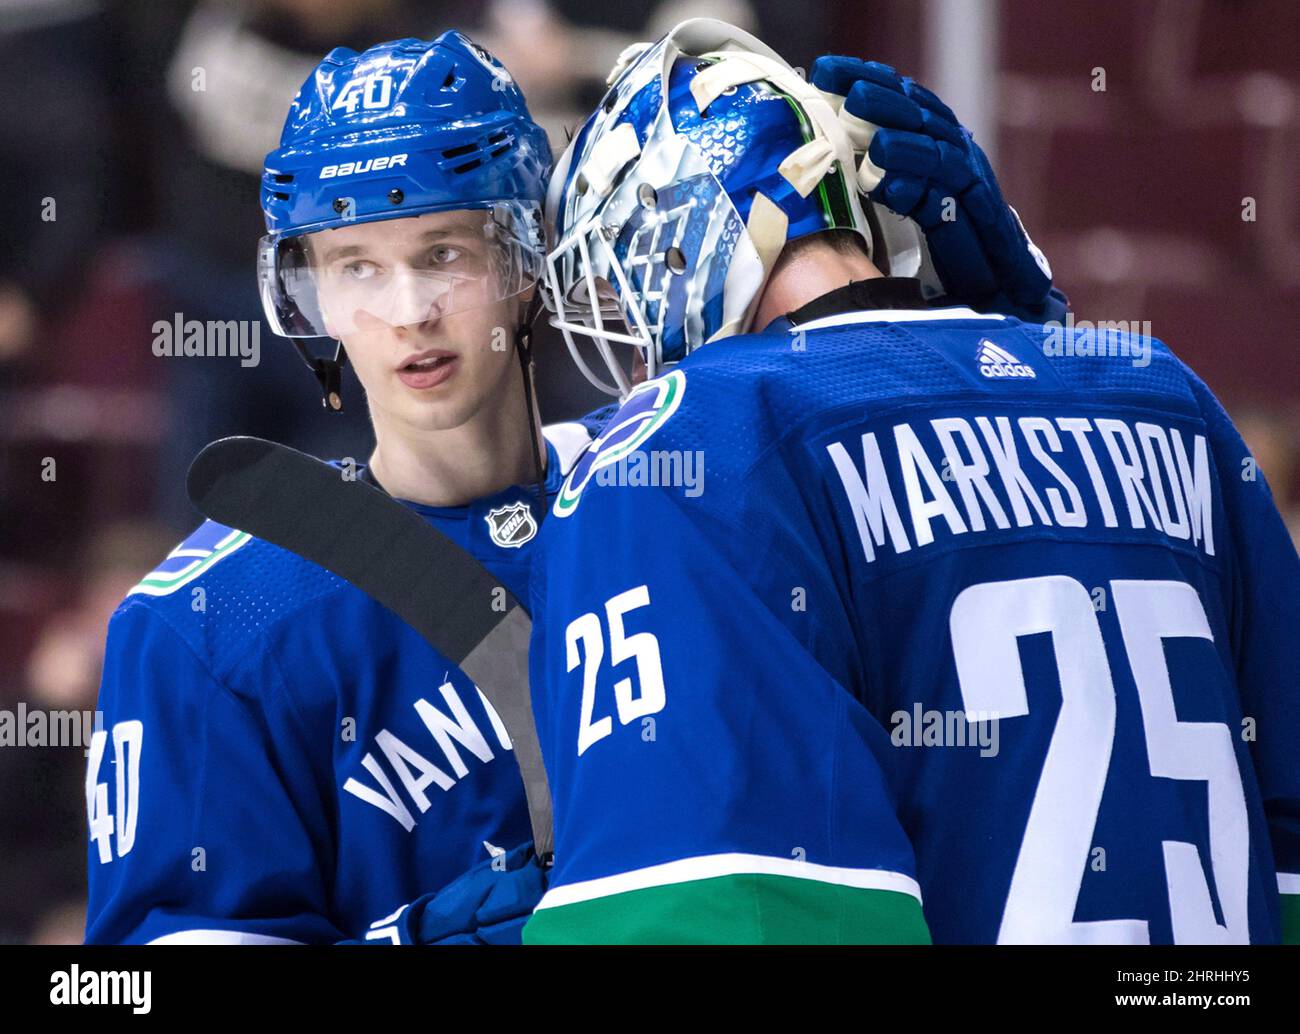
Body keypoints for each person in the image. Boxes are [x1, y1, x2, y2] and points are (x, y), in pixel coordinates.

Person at [522, 19, 1300, 943]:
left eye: (615, 286)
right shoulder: (1166, 394)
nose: (620, 326)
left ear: (676, 241)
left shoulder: (699, 442)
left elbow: (733, 909)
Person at [84, 32, 592, 945]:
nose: (407, 314)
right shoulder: (208, 625)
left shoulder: (667, 509)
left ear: (527, 259)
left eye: (443, 253)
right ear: (304, 292)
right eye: (357, 266)